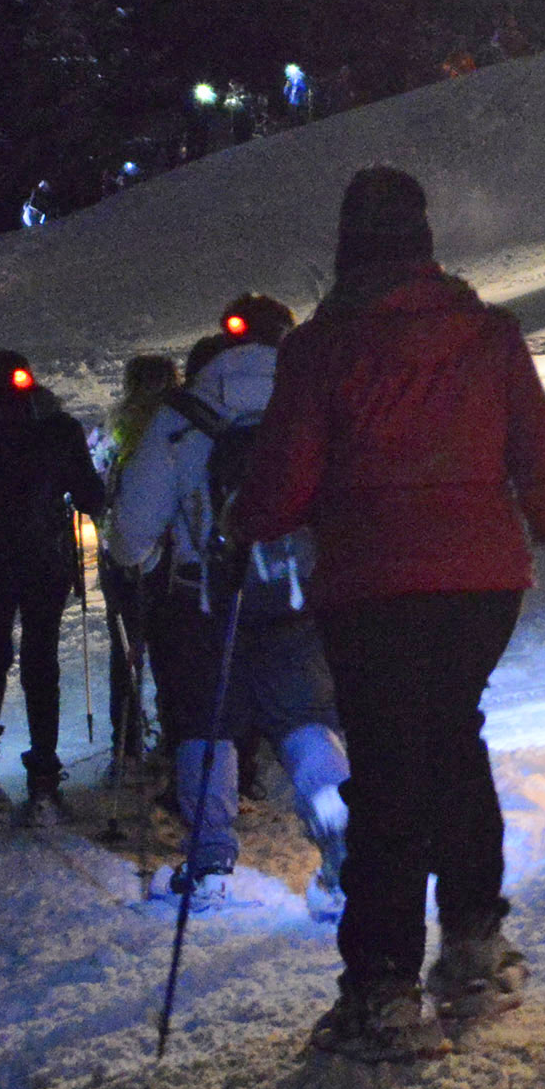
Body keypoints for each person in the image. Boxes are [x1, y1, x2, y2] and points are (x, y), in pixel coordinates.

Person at [234, 166, 545, 1061]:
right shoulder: (488, 335)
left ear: (349, 244)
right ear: (425, 241)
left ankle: (383, 986)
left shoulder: (324, 349)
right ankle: (472, 945)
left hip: (374, 584)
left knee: (387, 768)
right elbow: (541, 448)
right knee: (453, 738)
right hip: (478, 583)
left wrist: (250, 519)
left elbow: (283, 482)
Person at [111, 296, 351, 902]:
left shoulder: (182, 412)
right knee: (305, 721)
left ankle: (211, 864)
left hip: (203, 599)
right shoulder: (315, 399)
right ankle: (345, 855)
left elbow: (132, 535)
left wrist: (145, 561)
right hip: (294, 593)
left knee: (206, 725)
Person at [0, 349, 106, 816]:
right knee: (40, 657)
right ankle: (44, 783)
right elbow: (91, 494)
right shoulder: (59, 427)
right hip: (45, 555)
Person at [101, 349, 185, 761]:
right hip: (172, 551)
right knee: (173, 649)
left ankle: (127, 742)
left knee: (127, 648)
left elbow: (105, 482)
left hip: (124, 551)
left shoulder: (121, 427)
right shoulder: (182, 425)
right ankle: (177, 735)